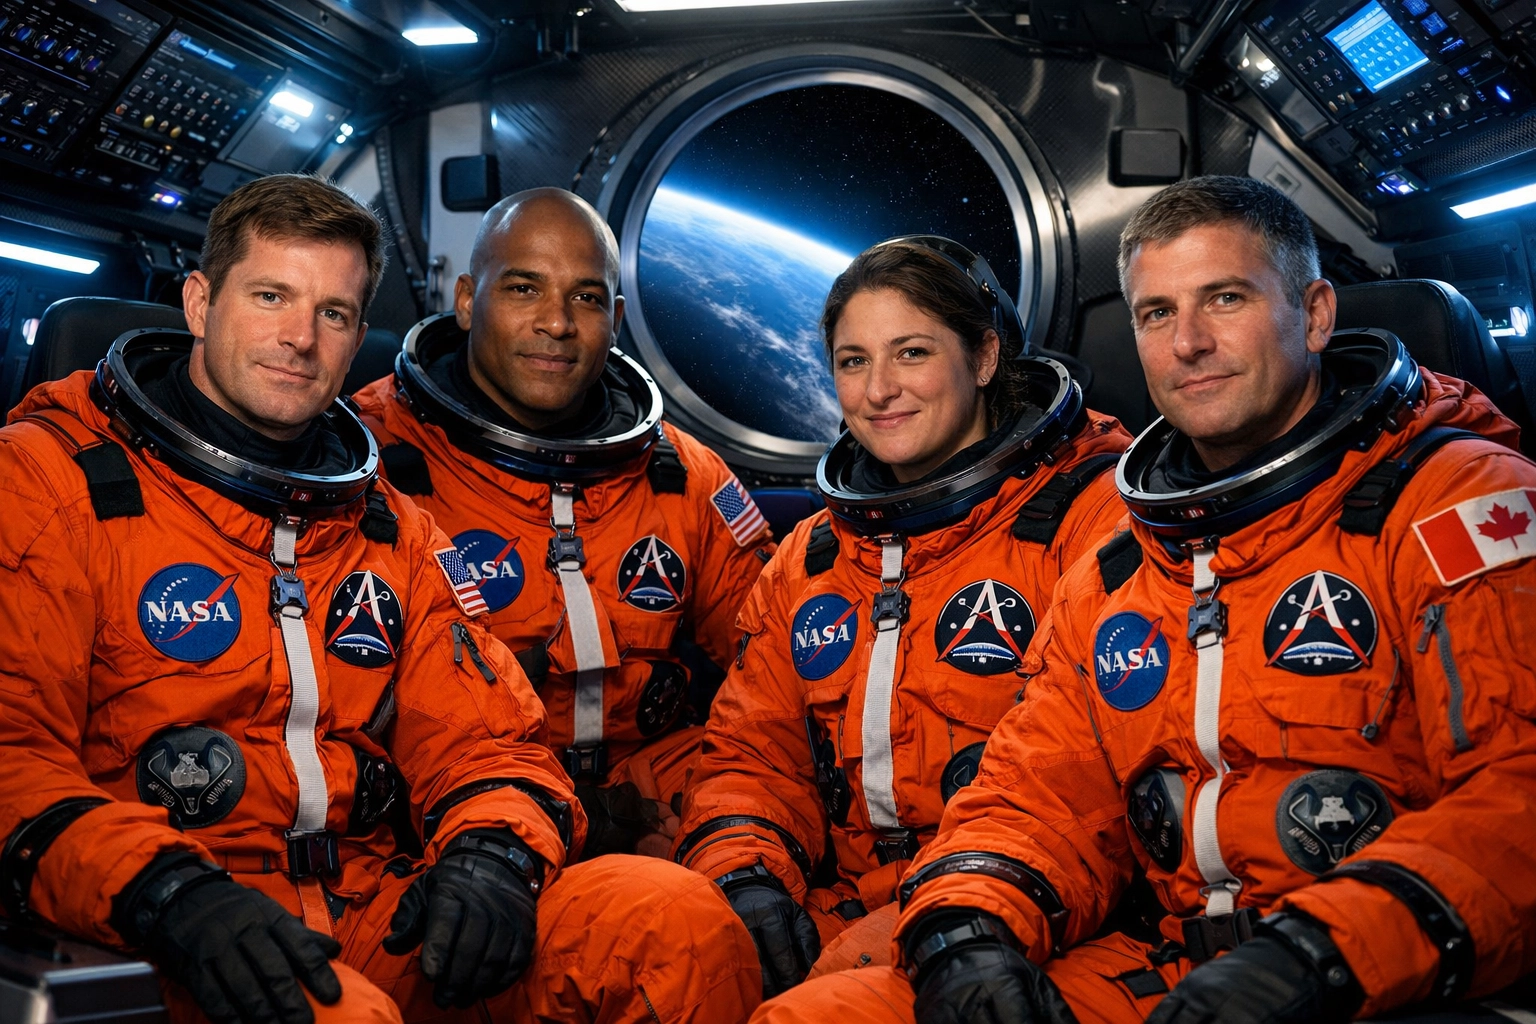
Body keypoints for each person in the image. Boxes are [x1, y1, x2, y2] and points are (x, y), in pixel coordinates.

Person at [749, 175, 1536, 1024]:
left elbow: (1518, 795)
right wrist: (966, 931)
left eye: (1224, 299)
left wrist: (1318, 957)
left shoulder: (1457, 503)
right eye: (1158, 314)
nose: (1188, 342)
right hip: (1169, 965)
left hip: (1397, 971)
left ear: (1313, 314)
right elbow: (1038, 793)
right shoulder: (1126, 563)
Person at [0, 173, 760, 1024]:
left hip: (371, 908)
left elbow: (486, 737)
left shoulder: (389, 527)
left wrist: (491, 853)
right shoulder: (47, 483)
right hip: (158, 924)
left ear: (359, 332)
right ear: (198, 301)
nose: (299, 338)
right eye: (271, 296)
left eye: (332, 314)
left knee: (676, 925)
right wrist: (164, 890)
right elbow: (9, 756)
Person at [674, 237, 1132, 999]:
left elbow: (1098, 784)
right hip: (847, 895)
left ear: (984, 358)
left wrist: (964, 910)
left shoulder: (1094, 519)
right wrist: (744, 871)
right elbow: (752, 758)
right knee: (665, 934)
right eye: (854, 362)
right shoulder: (816, 556)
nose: (879, 389)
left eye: (911, 352)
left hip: (1016, 899)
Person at [352, 188, 772, 859]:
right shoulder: (368, 465)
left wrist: (731, 822)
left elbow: (772, 660)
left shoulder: (684, 475)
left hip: (653, 787)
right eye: (523, 289)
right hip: (457, 804)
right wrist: (571, 817)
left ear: (616, 317)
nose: (557, 322)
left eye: (586, 297)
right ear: (466, 300)